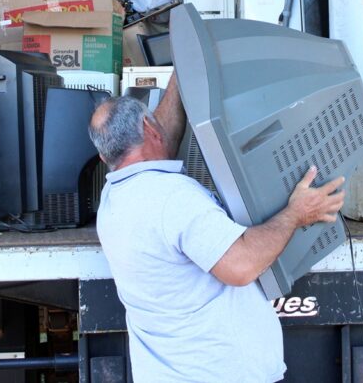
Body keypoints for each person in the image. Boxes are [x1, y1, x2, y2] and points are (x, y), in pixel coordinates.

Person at [89, 77, 346, 382]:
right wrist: (296, 214)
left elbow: (162, 135)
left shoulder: (114, 199)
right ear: (148, 127)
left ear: (105, 156)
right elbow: (241, 266)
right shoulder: (172, 198)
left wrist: (183, 67)